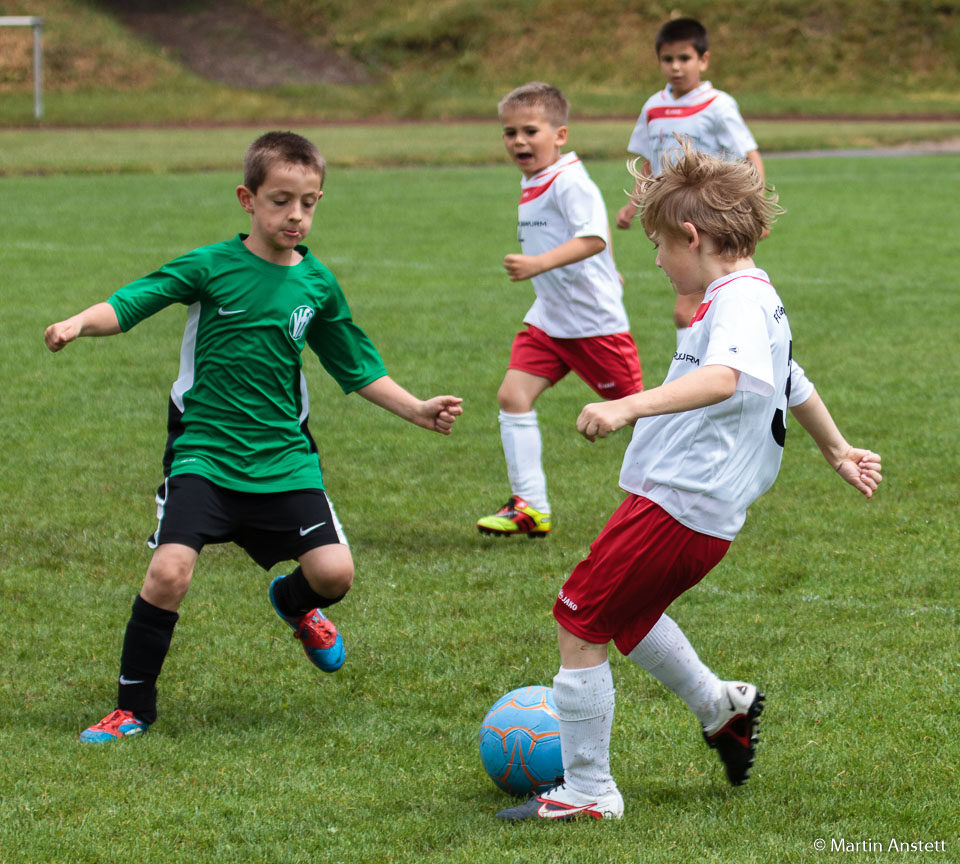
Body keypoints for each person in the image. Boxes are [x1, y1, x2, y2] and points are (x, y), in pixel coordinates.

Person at [496, 138, 882, 821]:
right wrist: (838, 448)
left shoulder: (734, 301)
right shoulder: (756, 295)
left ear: (692, 236)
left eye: (658, 245)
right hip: (683, 502)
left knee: (578, 618)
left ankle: (589, 792)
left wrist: (625, 404)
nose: (655, 260)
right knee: (629, 617)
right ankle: (720, 707)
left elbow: (724, 378)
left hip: (682, 503)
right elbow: (794, 381)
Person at [44, 131, 463, 743]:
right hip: (205, 455)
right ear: (248, 198)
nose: (296, 215)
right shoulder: (211, 266)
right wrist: (80, 322)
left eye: (309, 202)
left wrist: (417, 408)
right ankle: (133, 707)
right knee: (169, 573)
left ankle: (293, 603)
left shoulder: (317, 284)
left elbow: (356, 365)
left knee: (335, 575)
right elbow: (133, 302)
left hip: (283, 460)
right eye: (280, 201)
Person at [476, 82, 644, 538]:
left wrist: (538, 264)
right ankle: (530, 506)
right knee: (512, 396)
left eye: (530, 130)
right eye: (509, 133)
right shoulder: (537, 178)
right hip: (551, 317)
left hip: (592, 322)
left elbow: (593, 236)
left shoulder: (569, 180)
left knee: (642, 412)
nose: (518, 141)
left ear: (561, 134)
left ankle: (696, 483)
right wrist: (609, 269)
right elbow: (591, 231)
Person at [615, 17, 764, 336]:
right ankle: (720, 366)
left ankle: (700, 372)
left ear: (704, 60)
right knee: (706, 304)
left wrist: (757, 211)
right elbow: (649, 163)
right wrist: (632, 205)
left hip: (709, 215)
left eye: (685, 58)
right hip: (670, 218)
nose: (676, 67)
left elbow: (749, 157)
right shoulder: (653, 107)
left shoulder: (718, 105)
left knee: (688, 310)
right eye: (668, 59)